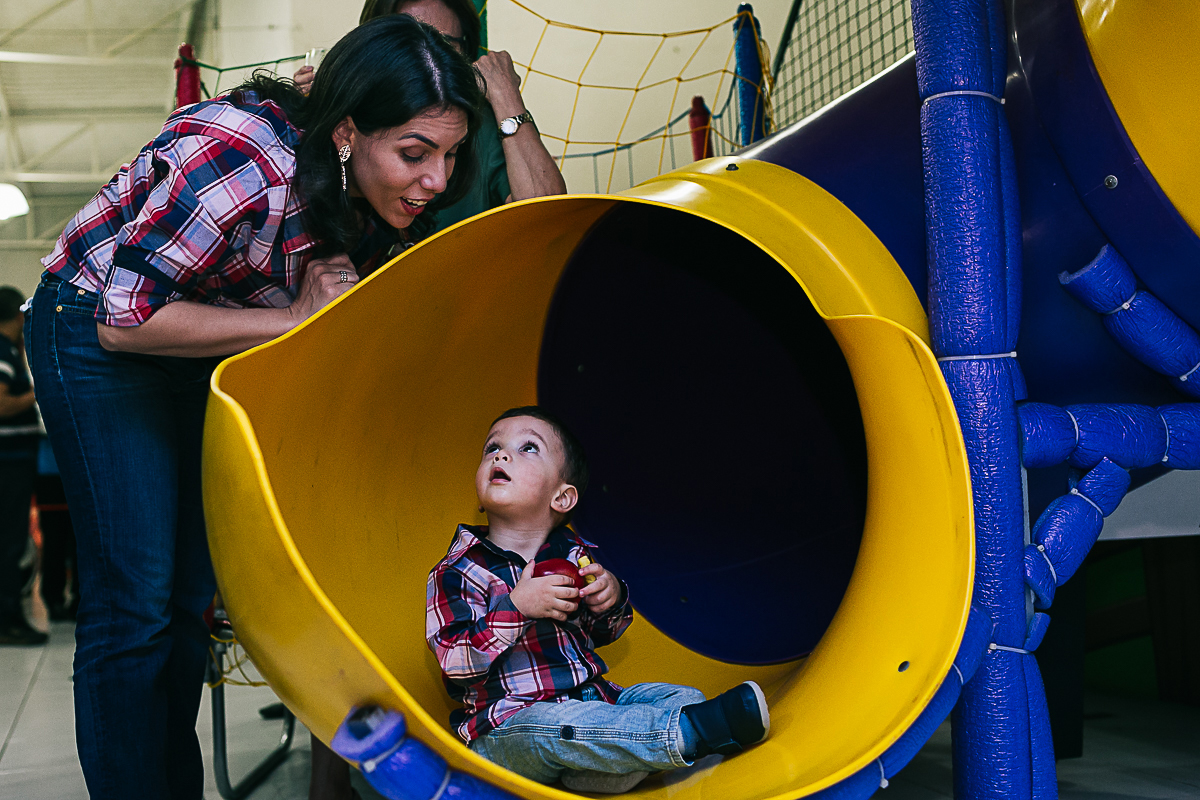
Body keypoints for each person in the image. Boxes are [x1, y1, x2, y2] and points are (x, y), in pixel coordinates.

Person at [25, 16, 484, 798]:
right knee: (134, 599)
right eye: (414, 153)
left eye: (448, 155)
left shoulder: (372, 190)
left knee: (187, 604)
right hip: (97, 332)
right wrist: (293, 321)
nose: (436, 179)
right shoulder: (244, 154)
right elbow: (126, 320)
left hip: (209, 339)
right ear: (347, 132)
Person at [426, 407, 770, 793]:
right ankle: (690, 734)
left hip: (596, 702)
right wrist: (516, 608)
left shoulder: (576, 555)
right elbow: (455, 662)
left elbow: (604, 632)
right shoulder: (458, 570)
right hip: (510, 728)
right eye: (492, 448)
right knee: (550, 726)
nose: (500, 456)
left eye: (527, 448)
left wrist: (611, 597)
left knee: (681, 696)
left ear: (562, 497)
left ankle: (593, 772)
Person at [294, 0, 567, 232]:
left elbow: (548, 222)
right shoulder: (346, 123)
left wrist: (507, 96)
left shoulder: (480, 124)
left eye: (442, 43)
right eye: (401, 40)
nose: (438, 182)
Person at [0, 286, 46, 646]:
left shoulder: (9, 352)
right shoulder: (2, 352)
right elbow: (1, 405)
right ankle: (8, 619)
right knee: (9, 541)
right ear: (18, 315)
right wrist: (40, 388)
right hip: (9, 460)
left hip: (16, 459)